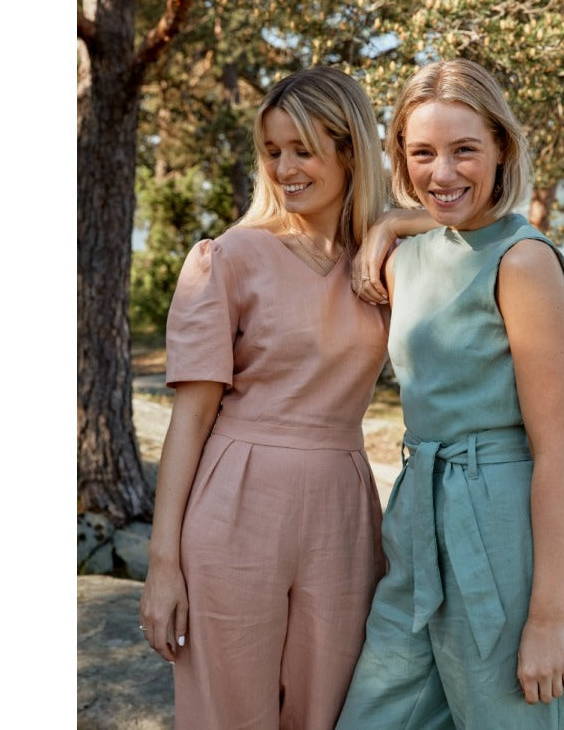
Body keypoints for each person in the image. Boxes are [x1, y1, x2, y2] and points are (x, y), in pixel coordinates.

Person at [138, 65, 396, 729]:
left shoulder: (380, 262)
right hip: (235, 501)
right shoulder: (229, 257)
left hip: (341, 506)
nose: (285, 169)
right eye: (273, 151)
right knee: (228, 713)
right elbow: (189, 421)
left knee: (331, 712)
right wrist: (162, 567)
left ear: (349, 151)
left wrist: (393, 226)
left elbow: (470, 218)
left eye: (302, 150)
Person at [337, 59, 564, 729]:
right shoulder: (404, 254)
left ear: (501, 148)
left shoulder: (525, 262)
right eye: (422, 153)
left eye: (464, 150)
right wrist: (393, 223)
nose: (442, 173)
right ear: (400, 156)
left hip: (503, 527)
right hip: (418, 518)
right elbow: (445, 226)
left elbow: (558, 452)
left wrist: (546, 619)